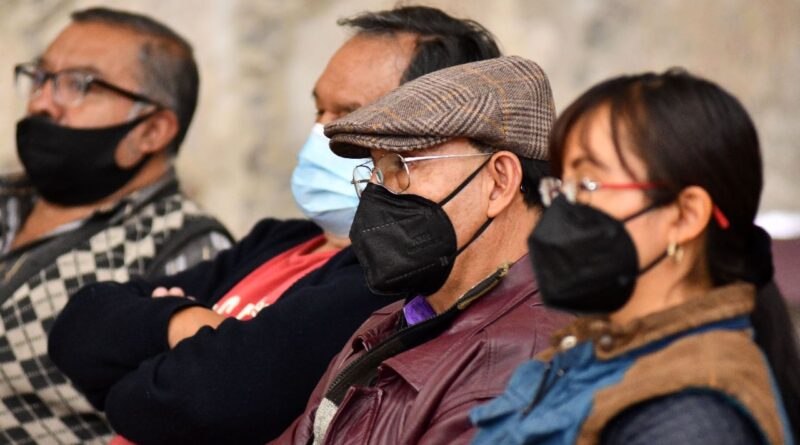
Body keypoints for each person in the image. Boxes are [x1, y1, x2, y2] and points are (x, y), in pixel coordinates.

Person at [48, 6, 504, 444]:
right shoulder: (278, 240)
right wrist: (185, 322)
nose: (321, 133)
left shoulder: (387, 283)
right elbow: (78, 327)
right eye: (319, 111)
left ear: (433, 137)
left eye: (349, 115)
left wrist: (137, 364)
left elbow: (212, 400)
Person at [470, 70, 800, 444]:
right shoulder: (594, 353)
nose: (563, 209)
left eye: (588, 184)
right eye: (563, 185)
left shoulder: (689, 419)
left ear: (685, 216)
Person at [272, 56, 572, 445]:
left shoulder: (521, 362)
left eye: (401, 167)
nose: (376, 193)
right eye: (374, 172)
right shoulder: (397, 318)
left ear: (499, 181)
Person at [0, 7, 232, 444]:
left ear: (152, 130)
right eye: (41, 77)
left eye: (79, 84)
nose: (42, 102)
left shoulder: (188, 248)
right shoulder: (7, 197)